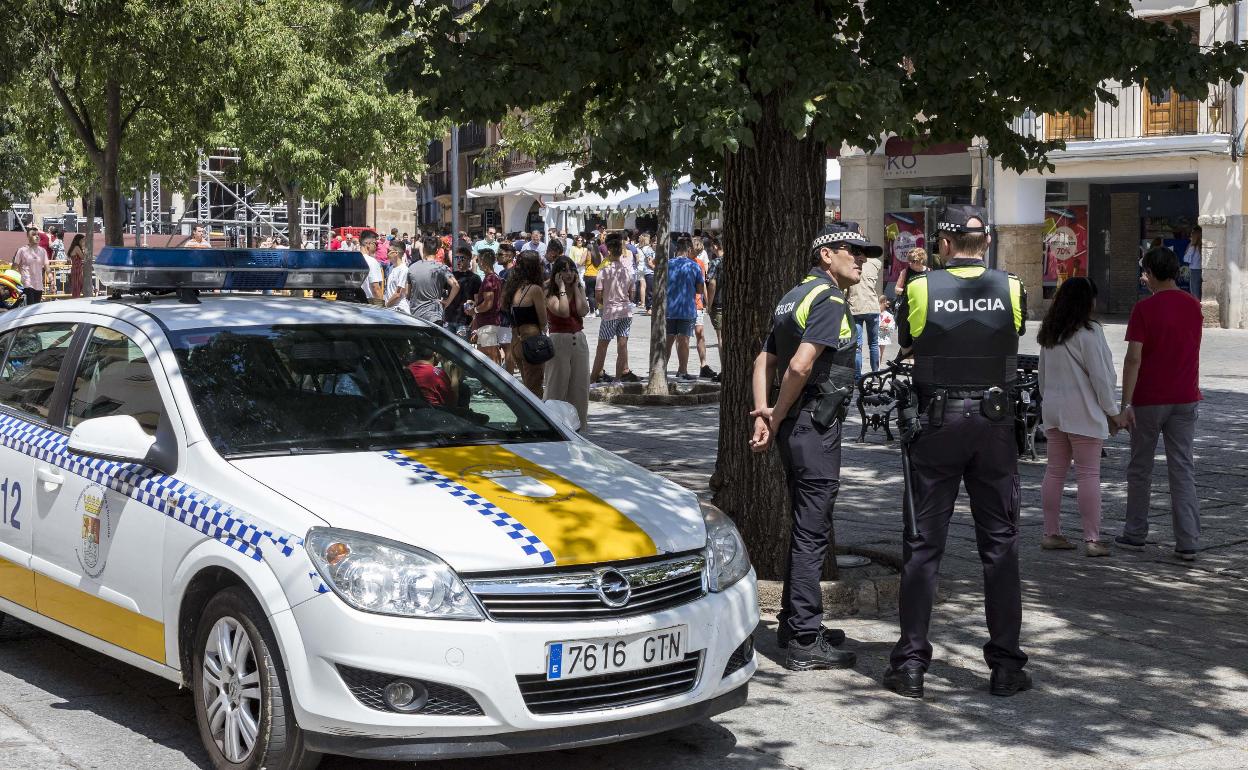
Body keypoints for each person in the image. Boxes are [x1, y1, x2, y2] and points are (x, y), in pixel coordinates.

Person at [887, 204, 1030, 699]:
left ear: (944, 245)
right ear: (986, 243)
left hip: (937, 421)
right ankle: (1007, 666)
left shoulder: (922, 288)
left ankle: (910, 665)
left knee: (923, 546)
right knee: (1001, 545)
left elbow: (907, 341)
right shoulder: (1010, 286)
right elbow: (1016, 332)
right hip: (995, 425)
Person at [748, 222, 869, 671]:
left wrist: (764, 411)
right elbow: (797, 365)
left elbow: (764, 359)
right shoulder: (830, 298)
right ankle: (803, 639)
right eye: (850, 250)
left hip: (796, 427)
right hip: (813, 426)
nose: (859, 258)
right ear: (826, 256)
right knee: (812, 530)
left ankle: (793, 620)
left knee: (805, 523)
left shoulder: (792, 296)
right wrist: (774, 414)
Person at [1116, 246, 1203, 561]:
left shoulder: (1144, 309)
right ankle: (1188, 540)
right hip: (1185, 397)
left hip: (1150, 399)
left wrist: (1126, 403)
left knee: (1140, 468)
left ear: (1151, 273)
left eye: (1144, 272)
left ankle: (1135, 533)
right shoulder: (1194, 306)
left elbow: (1133, 358)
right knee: (1182, 468)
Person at [1037, 278, 1122, 557]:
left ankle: (1051, 532)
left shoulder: (1050, 333)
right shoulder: (1090, 332)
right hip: (1083, 411)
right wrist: (1113, 412)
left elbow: (1042, 377)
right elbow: (1102, 377)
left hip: (1054, 411)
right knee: (1088, 474)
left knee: (1054, 472)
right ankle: (1092, 539)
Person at [544, 255, 590, 427]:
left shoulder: (579, 287)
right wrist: (562, 288)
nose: (569, 273)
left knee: (580, 386)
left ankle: (579, 424)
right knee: (556, 385)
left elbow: (583, 311)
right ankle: (554, 424)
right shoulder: (549, 291)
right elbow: (563, 311)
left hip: (578, 340)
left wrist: (577, 289)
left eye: (571, 269)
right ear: (557, 273)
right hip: (559, 341)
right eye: (564, 270)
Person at [591, 233, 640, 383]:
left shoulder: (604, 270)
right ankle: (618, 379)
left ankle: (592, 380)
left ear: (609, 250)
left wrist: (605, 302)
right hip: (626, 311)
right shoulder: (627, 271)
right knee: (622, 346)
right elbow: (632, 294)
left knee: (602, 347)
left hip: (610, 312)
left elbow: (598, 294)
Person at [503, 250, 548, 397]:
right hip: (532, 342)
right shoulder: (534, 289)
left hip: (516, 341)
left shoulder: (512, 288)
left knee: (527, 388)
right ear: (535, 267)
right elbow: (543, 320)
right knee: (535, 390)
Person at [664, 235, 709, 381]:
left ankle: (661, 369)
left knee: (668, 340)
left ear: (676, 249)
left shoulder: (667, 264)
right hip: (686, 309)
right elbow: (700, 290)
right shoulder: (694, 266)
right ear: (689, 249)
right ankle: (682, 371)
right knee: (684, 341)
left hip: (669, 308)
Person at [848, 242, 884, 375]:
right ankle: (875, 375)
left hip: (855, 306)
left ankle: (857, 377)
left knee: (857, 346)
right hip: (872, 306)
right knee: (874, 344)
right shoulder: (876, 263)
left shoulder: (851, 262)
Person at [407, 237, 459, 324]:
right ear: (437, 251)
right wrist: (447, 302)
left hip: (415, 315)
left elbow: (407, 294)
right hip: (434, 316)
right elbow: (456, 285)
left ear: (423, 249)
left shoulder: (412, 267)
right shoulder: (441, 267)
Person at [690, 236, 718, 379]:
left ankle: (703, 365)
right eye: (695, 251)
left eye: (698, 252)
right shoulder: (681, 263)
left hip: (698, 304)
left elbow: (704, 286)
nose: (696, 254)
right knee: (680, 337)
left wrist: (707, 303)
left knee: (700, 334)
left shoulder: (700, 263)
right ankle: (681, 367)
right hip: (685, 304)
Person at [471, 248, 503, 364]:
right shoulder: (493, 277)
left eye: (478, 260)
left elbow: (488, 303)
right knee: (484, 356)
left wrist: (474, 310)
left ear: (483, 261)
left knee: (490, 357)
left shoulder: (490, 279)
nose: (477, 262)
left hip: (488, 323)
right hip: (487, 323)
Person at [446, 247, 481, 338]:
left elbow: (477, 300)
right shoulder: (452, 275)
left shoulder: (475, 278)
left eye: (462, 258)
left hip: (464, 321)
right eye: (456, 258)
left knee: (461, 350)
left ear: (469, 260)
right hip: (449, 318)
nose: (459, 261)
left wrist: (474, 318)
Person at [13, 227, 48, 305]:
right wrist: (16, 282)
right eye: (33, 234)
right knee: (30, 307)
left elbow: (47, 266)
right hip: (27, 284)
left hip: (38, 284)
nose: (37, 236)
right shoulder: (22, 250)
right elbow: (14, 266)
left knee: (35, 307)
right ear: (28, 237)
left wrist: (52, 280)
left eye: (38, 234)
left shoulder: (43, 251)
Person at [357, 231, 385, 305]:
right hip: (368, 303)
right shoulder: (372, 261)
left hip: (355, 302)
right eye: (375, 243)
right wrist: (382, 306)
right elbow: (375, 288)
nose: (377, 246)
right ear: (368, 244)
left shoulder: (353, 258)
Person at [384, 246, 411, 314]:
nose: (387, 254)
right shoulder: (390, 268)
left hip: (400, 310)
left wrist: (385, 306)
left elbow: (398, 294)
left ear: (396, 253)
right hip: (390, 308)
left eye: (388, 251)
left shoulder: (403, 269)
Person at [583, 235, 602, 316]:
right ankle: (597, 309)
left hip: (589, 275)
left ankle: (592, 311)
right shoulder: (599, 254)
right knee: (596, 293)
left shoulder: (587, 252)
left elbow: (581, 262)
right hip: (597, 275)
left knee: (590, 294)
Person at [1183, 225, 1202, 300]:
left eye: (1191, 234)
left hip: (1194, 270)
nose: (1190, 236)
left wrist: (1190, 245)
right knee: (1199, 290)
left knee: (1194, 291)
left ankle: (1196, 307)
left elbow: (1186, 259)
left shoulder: (1193, 247)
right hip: (1200, 269)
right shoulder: (1201, 246)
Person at [640, 233, 656, 314]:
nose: (656, 244)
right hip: (650, 272)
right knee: (650, 290)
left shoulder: (655, 251)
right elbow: (650, 263)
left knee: (653, 290)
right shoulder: (649, 250)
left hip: (653, 272)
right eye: (654, 243)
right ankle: (649, 308)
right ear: (651, 243)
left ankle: (652, 307)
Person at [66, 234, 86, 298]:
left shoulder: (75, 247)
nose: (84, 242)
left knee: (77, 287)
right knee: (77, 287)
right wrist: (84, 248)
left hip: (76, 269)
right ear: (79, 240)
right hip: (77, 269)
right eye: (83, 240)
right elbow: (83, 257)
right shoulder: (77, 247)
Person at [877, 295, 895, 364]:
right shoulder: (875, 314)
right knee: (877, 354)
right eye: (879, 303)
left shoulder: (889, 315)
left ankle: (877, 368)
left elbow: (892, 328)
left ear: (884, 304)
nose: (879, 305)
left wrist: (886, 328)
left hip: (883, 337)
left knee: (880, 354)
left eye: (881, 303)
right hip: (875, 336)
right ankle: (876, 368)